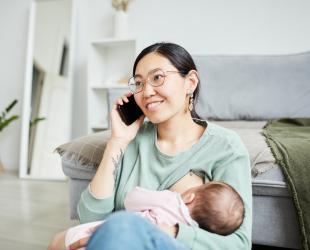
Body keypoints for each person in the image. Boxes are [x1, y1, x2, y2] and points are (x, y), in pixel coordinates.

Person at [63, 42, 253, 250]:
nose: (146, 92)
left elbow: (239, 245)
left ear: (190, 82)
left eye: (157, 78)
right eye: (138, 83)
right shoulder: (132, 141)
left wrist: (169, 231)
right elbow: (90, 219)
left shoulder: (225, 146)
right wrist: (117, 141)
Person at [50, 181, 245, 250]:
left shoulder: (172, 200)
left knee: (70, 238)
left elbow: (132, 200)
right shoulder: (194, 234)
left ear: (189, 197)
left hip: (111, 235)